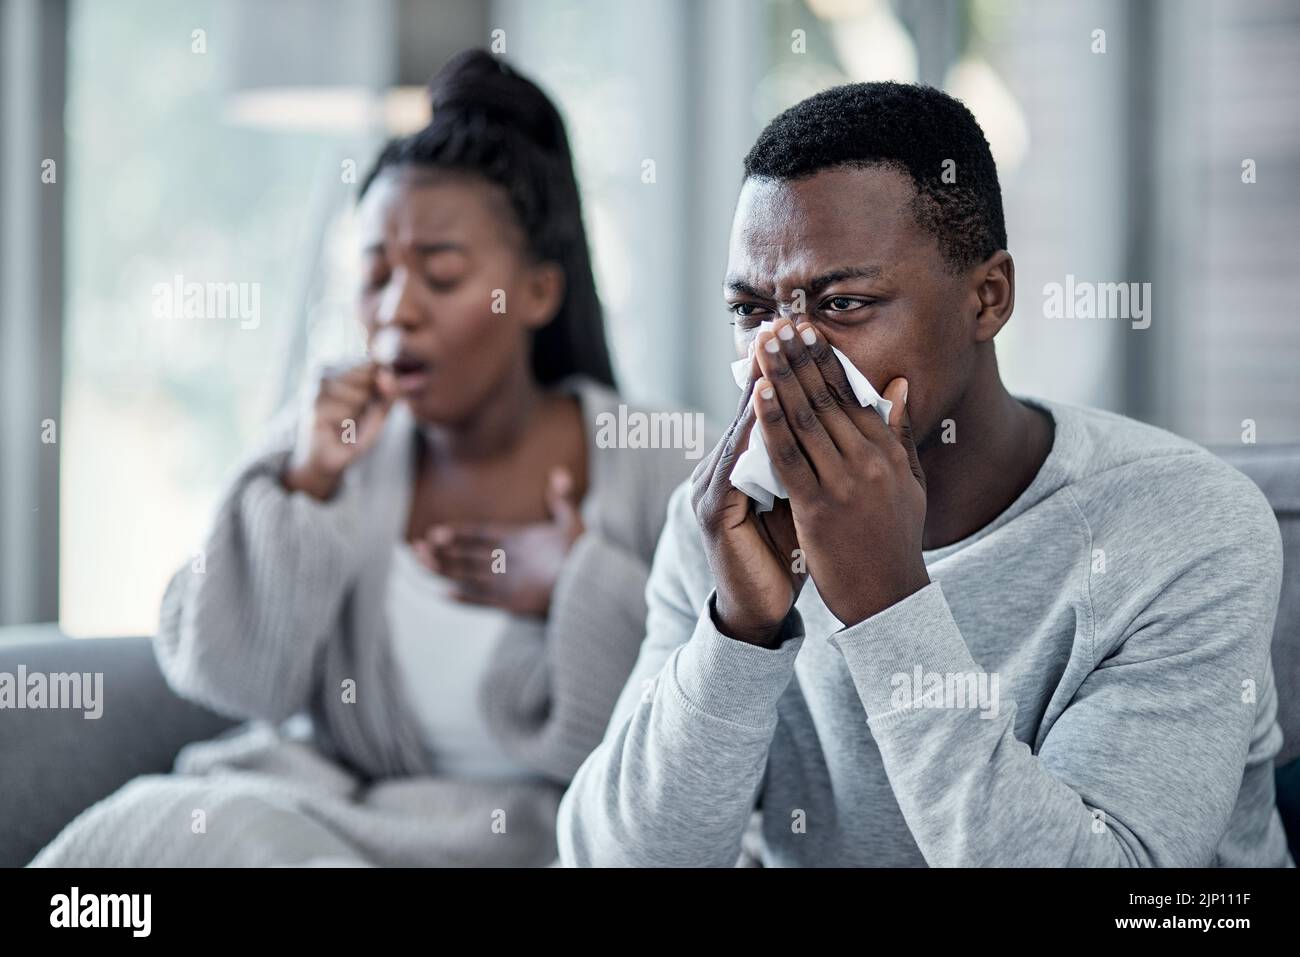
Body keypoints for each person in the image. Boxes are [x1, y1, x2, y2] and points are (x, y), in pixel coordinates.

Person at [556, 81, 1293, 867]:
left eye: (840, 303)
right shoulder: (722, 523)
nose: (780, 355)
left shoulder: (1185, 526)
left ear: (989, 297)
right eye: (751, 311)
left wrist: (887, 602)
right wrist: (738, 631)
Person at [32, 50, 699, 867]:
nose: (396, 309)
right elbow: (225, 678)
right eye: (375, 272)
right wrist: (303, 487)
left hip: (546, 839)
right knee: (168, 830)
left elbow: (704, 738)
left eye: (441, 274)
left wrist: (578, 582)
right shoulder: (328, 444)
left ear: (536, 293)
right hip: (328, 821)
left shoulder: (661, 464)